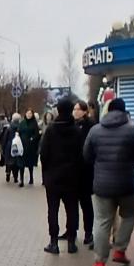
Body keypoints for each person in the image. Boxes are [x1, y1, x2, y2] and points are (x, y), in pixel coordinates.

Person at [83, 98, 134, 266]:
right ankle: (119, 249)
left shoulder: (95, 130)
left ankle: (99, 262)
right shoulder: (133, 130)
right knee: (128, 215)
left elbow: (87, 155)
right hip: (126, 184)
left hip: (102, 185)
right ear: (124, 111)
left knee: (102, 221)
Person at [39, 98, 86, 254]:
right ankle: (71, 242)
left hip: (53, 178)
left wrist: (46, 172)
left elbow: (43, 154)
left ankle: (54, 242)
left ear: (58, 110)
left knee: (52, 210)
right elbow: (82, 155)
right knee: (72, 209)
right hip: (72, 178)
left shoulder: (51, 130)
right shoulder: (77, 131)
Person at [73, 101, 97, 247]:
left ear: (84, 111)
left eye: (77, 109)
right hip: (73, 171)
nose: (75, 112)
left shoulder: (91, 126)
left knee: (86, 203)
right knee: (72, 204)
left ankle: (88, 232)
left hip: (86, 170)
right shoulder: (71, 125)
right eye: (74, 109)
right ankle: (72, 230)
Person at [18, 109, 42, 186]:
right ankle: (21, 180)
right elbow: (19, 130)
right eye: (27, 113)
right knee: (21, 163)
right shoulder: (22, 122)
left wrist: (32, 138)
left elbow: (37, 134)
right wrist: (17, 134)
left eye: (30, 113)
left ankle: (31, 177)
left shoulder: (34, 123)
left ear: (32, 115)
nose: (28, 115)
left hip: (31, 146)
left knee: (30, 163)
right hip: (22, 145)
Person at [3, 113, 25, 184]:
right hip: (17, 146)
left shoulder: (9, 127)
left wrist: (3, 147)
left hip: (9, 146)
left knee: (8, 161)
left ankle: (8, 173)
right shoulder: (21, 127)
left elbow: (5, 138)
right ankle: (15, 177)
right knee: (16, 162)